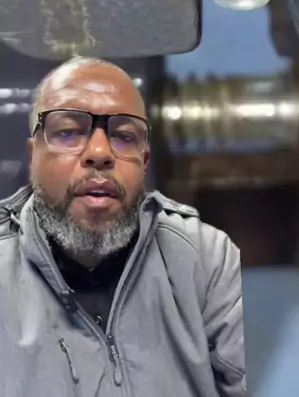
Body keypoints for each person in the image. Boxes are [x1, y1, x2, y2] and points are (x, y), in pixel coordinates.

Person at [0, 56, 246, 397]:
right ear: (33, 157)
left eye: (124, 136)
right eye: (68, 132)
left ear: (144, 162)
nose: (99, 152)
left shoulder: (206, 260)